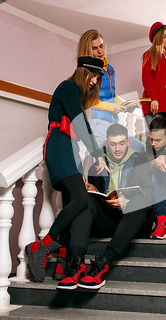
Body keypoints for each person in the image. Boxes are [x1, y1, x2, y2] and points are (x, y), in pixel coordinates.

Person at [25, 56, 108, 283]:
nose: (94, 82)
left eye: (98, 79)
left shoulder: (76, 93)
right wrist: (98, 153)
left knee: (76, 203)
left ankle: (64, 258)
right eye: (92, 76)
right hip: (60, 146)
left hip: (69, 148)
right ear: (83, 72)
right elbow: (79, 122)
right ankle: (41, 247)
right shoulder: (69, 86)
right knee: (81, 199)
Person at [57, 123, 155, 290]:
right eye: (113, 144)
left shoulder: (140, 160)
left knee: (139, 203)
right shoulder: (98, 162)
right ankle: (76, 265)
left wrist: (127, 202)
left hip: (133, 221)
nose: (117, 148)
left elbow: (150, 194)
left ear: (128, 143)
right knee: (85, 199)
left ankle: (102, 264)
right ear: (107, 144)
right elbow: (97, 195)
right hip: (109, 219)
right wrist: (94, 190)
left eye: (122, 143)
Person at [77, 29, 145, 152]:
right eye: (94, 48)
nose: (100, 51)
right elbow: (85, 98)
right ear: (87, 49)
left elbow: (112, 95)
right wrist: (111, 107)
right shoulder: (85, 70)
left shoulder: (109, 69)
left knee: (140, 148)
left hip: (112, 123)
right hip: (96, 121)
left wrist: (125, 104)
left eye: (101, 46)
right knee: (99, 159)